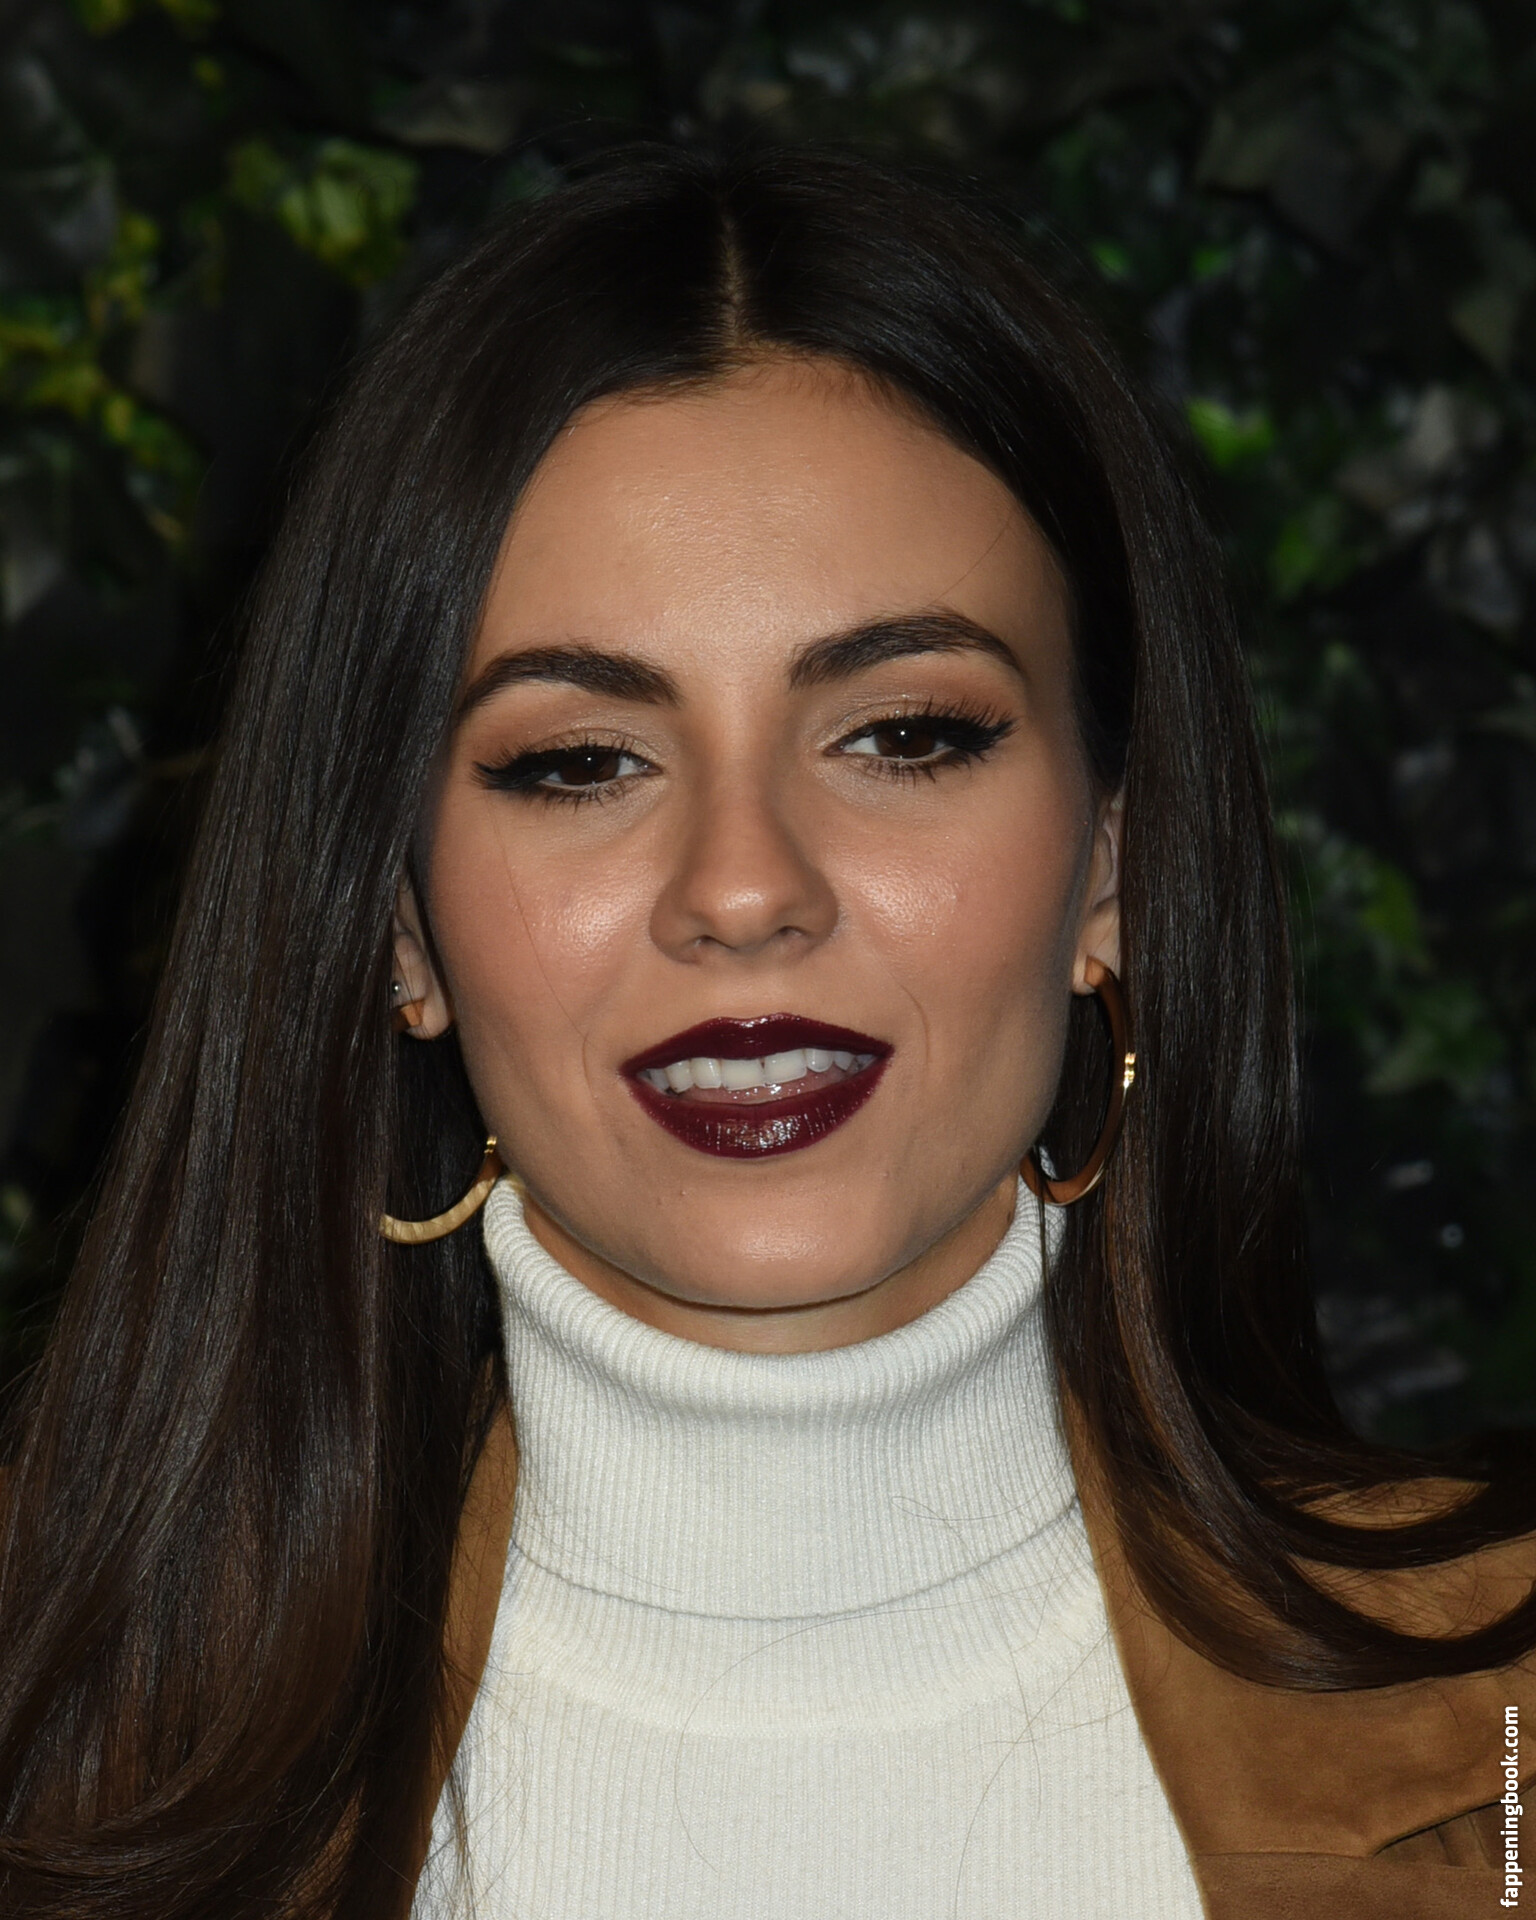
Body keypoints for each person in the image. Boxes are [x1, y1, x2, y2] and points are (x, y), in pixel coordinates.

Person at [0, 143, 1531, 1920]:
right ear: (402, 924)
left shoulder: (1500, 1733)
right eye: (581, 760)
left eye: (904, 735)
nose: (743, 889)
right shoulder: (49, 1731)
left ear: (1112, 864)